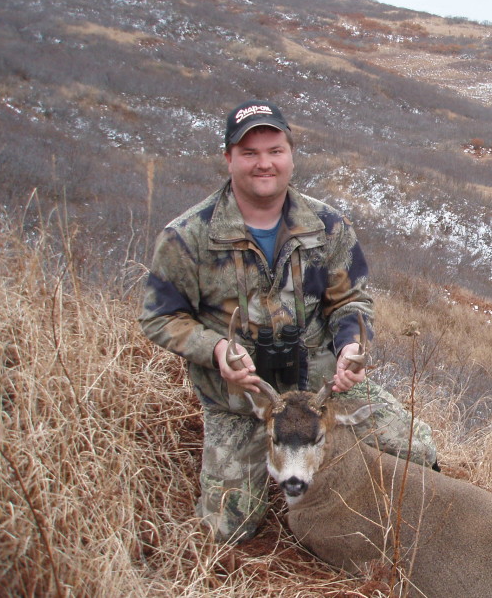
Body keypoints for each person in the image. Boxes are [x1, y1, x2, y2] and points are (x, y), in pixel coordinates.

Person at [140, 100, 437, 543]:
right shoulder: (188, 237)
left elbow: (351, 300)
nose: (264, 163)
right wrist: (217, 349)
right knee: (227, 528)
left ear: (291, 154)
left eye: (275, 150)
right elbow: (161, 317)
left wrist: (351, 346)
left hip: (320, 391)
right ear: (229, 158)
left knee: (419, 453)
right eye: (249, 152)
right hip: (242, 400)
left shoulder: (328, 226)